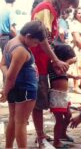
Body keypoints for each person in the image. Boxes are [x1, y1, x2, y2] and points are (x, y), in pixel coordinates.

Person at [31, 0, 79, 148]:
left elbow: (50, 40)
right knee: (38, 104)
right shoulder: (46, 9)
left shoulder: (53, 12)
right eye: (68, 4)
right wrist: (56, 60)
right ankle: (41, 138)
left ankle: (42, 136)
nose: (67, 9)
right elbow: (42, 39)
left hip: (43, 62)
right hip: (37, 62)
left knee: (41, 101)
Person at [0, 21, 46, 149]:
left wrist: (8, 82)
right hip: (25, 89)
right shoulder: (20, 49)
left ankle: (8, 147)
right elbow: (10, 77)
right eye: (35, 42)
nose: (36, 45)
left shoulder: (11, 42)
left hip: (17, 88)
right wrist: (5, 90)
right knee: (21, 122)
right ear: (28, 36)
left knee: (13, 120)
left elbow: (3, 65)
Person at [49, 44, 79, 148]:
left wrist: (74, 76)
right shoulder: (54, 64)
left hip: (63, 96)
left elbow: (64, 74)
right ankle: (56, 142)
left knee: (68, 115)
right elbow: (59, 72)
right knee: (59, 120)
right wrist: (69, 62)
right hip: (57, 96)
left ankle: (62, 134)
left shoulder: (61, 65)